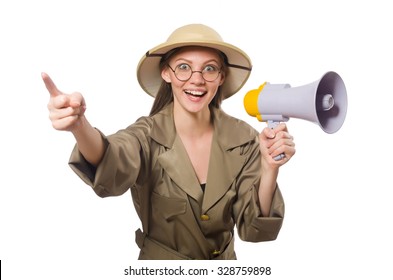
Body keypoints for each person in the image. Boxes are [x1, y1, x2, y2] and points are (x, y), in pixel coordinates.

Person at [42, 23, 296, 260]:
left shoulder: (244, 138)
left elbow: (255, 231)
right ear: (166, 73)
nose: (197, 79)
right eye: (184, 67)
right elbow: (112, 161)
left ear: (221, 77)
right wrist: (79, 126)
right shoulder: (146, 134)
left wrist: (269, 168)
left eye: (209, 68)